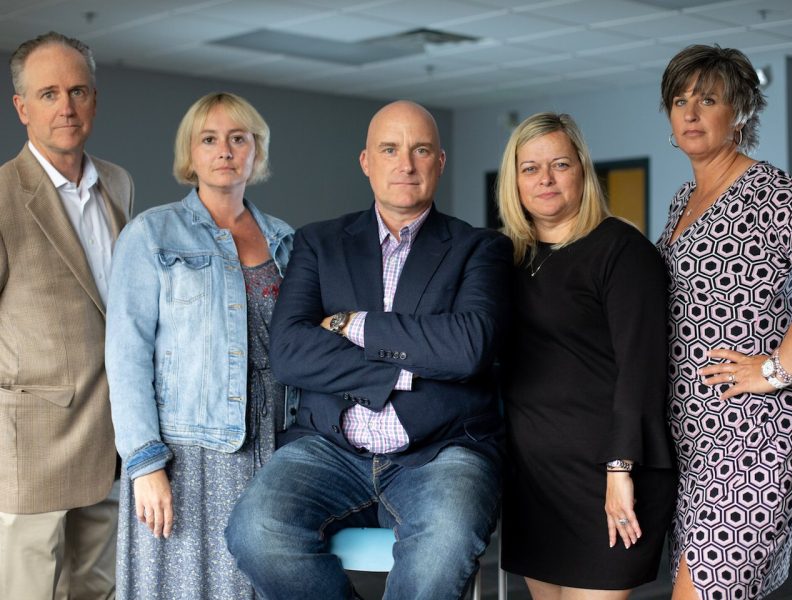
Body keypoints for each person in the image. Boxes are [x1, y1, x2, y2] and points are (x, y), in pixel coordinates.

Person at [225, 100, 512, 599]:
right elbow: (291, 350)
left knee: (441, 550)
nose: (406, 164)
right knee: (255, 534)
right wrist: (407, 365)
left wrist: (351, 324)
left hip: (441, 451)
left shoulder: (480, 248)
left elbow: (467, 348)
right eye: (390, 149)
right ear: (366, 162)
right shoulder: (319, 243)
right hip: (329, 448)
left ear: (439, 162)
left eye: (421, 150)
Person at [105, 92, 294, 599]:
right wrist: (144, 465)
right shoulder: (150, 234)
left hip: (272, 451)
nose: (225, 150)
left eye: (239, 139)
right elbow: (126, 357)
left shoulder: (286, 241)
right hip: (185, 457)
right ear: (189, 154)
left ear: (258, 152)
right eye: (209, 139)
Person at [496, 112, 676, 599]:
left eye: (559, 164)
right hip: (534, 478)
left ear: (582, 170)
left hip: (607, 476)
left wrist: (621, 470)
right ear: (514, 179)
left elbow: (642, 370)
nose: (545, 179)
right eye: (529, 168)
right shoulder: (507, 256)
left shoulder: (621, 250)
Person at [656, 44, 792, 600]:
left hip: (748, 438)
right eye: (679, 100)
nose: (690, 113)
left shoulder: (774, 193)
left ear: (739, 111)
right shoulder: (682, 201)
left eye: (708, 99)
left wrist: (777, 369)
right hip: (687, 439)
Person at [0, 31, 134, 600]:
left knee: (97, 589)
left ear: (95, 100)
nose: (67, 107)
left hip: (111, 431)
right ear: (22, 107)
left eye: (78, 91)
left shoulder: (118, 183)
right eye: (49, 93)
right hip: (31, 436)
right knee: (25, 591)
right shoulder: (2, 193)